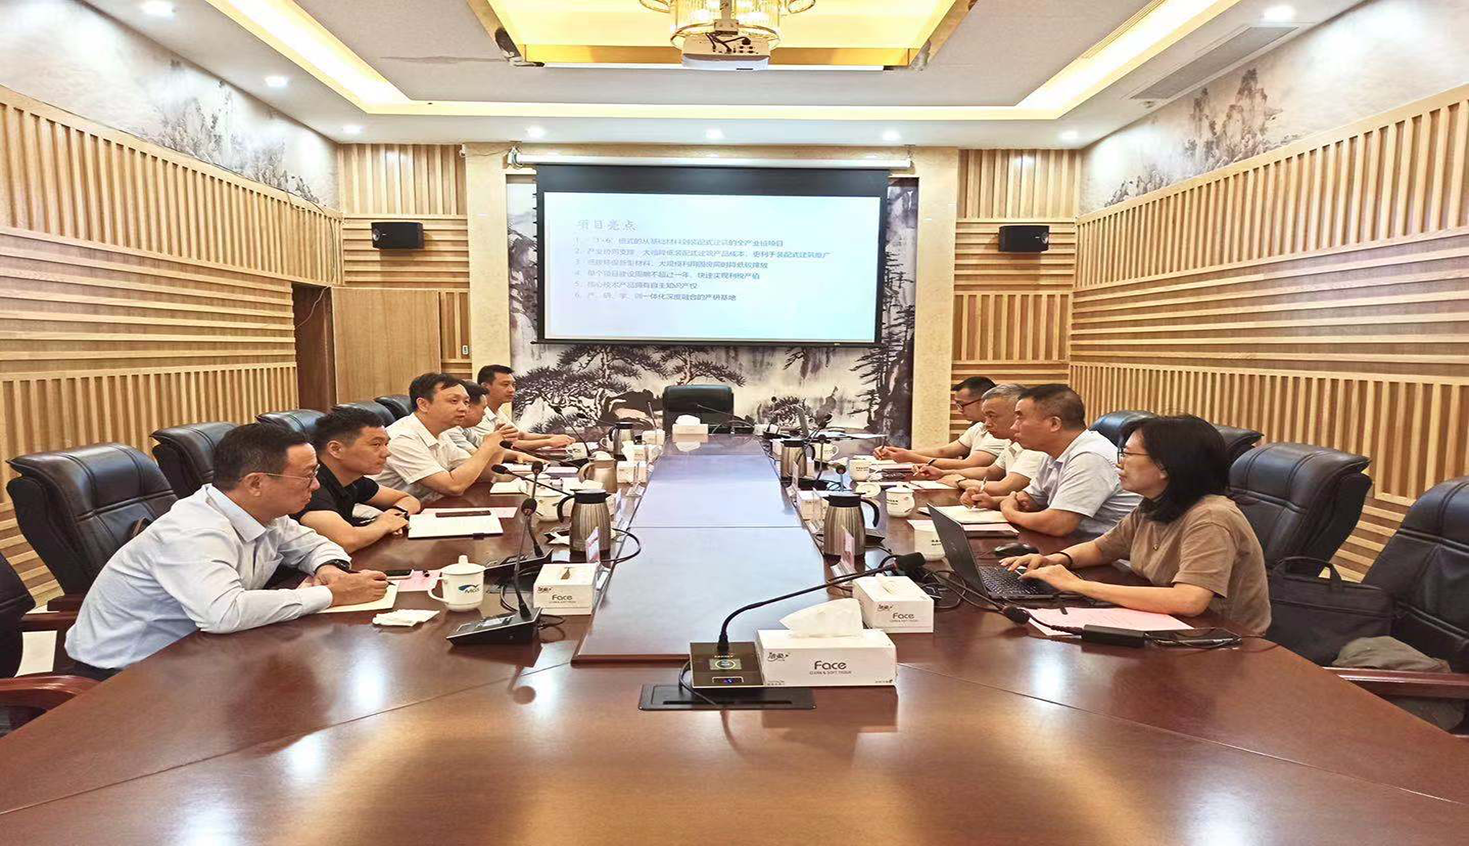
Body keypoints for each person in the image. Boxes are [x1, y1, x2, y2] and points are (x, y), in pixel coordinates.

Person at [65, 424, 389, 677]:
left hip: (205, 653)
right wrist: (332, 595)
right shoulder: (193, 531)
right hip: (129, 675)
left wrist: (329, 569)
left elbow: (313, 544)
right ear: (256, 483)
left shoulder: (263, 512)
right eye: (307, 476)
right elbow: (224, 613)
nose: (316, 486)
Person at [1000, 415, 1271, 634]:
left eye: (1128, 454)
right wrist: (1055, 560)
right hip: (1174, 626)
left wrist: (1078, 585)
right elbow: (1102, 548)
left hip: (1223, 640)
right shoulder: (1155, 503)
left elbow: (1189, 600)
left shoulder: (1211, 517)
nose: (1119, 463)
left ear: (1164, 467)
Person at [988, 384, 1142, 537]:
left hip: (1107, 551)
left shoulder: (1090, 456)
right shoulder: (1053, 451)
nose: (1014, 427)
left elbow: (1058, 524)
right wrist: (993, 501)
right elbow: (1030, 500)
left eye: (1020, 418)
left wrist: (1010, 512)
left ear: (1054, 424)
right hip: (1075, 544)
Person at [295, 407, 424, 552]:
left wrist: (393, 514)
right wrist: (384, 524)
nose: (386, 453)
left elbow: (408, 499)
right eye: (376, 444)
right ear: (336, 449)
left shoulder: (352, 477)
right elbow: (346, 541)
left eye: (386, 444)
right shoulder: (310, 485)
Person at [373, 372, 508, 502]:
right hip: (393, 513)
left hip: (429, 508)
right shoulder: (402, 438)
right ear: (423, 404)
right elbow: (453, 487)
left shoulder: (441, 433)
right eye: (454, 401)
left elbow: (483, 475)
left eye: (466, 402)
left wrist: (498, 445)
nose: (463, 408)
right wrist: (487, 446)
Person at [906, 383, 1046, 498]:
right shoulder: (1011, 442)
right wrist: (943, 473)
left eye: (992, 416)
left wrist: (960, 481)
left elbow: (1003, 488)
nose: (987, 423)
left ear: (1017, 415)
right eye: (986, 417)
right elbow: (990, 472)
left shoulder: (1035, 448)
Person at [874, 376, 1003, 472]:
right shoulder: (978, 427)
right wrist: (900, 452)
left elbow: (969, 465)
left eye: (962, 404)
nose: (959, 410)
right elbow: (943, 451)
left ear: (984, 401)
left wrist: (910, 457)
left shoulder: (1000, 433)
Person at [473, 364, 576, 451]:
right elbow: (505, 445)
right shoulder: (477, 415)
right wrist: (548, 442)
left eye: (513, 385)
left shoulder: (497, 411)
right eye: (505, 385)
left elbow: (520, 435)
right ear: (485, 387)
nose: (512, 390)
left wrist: (552, 437)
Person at [445, 380, 525, 459]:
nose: (484, 413)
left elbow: (485, 448)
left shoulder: (465, 429)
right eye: (454, 401)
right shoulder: (451, 431)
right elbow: (478, 458)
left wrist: (496, 438)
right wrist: (496, 441)